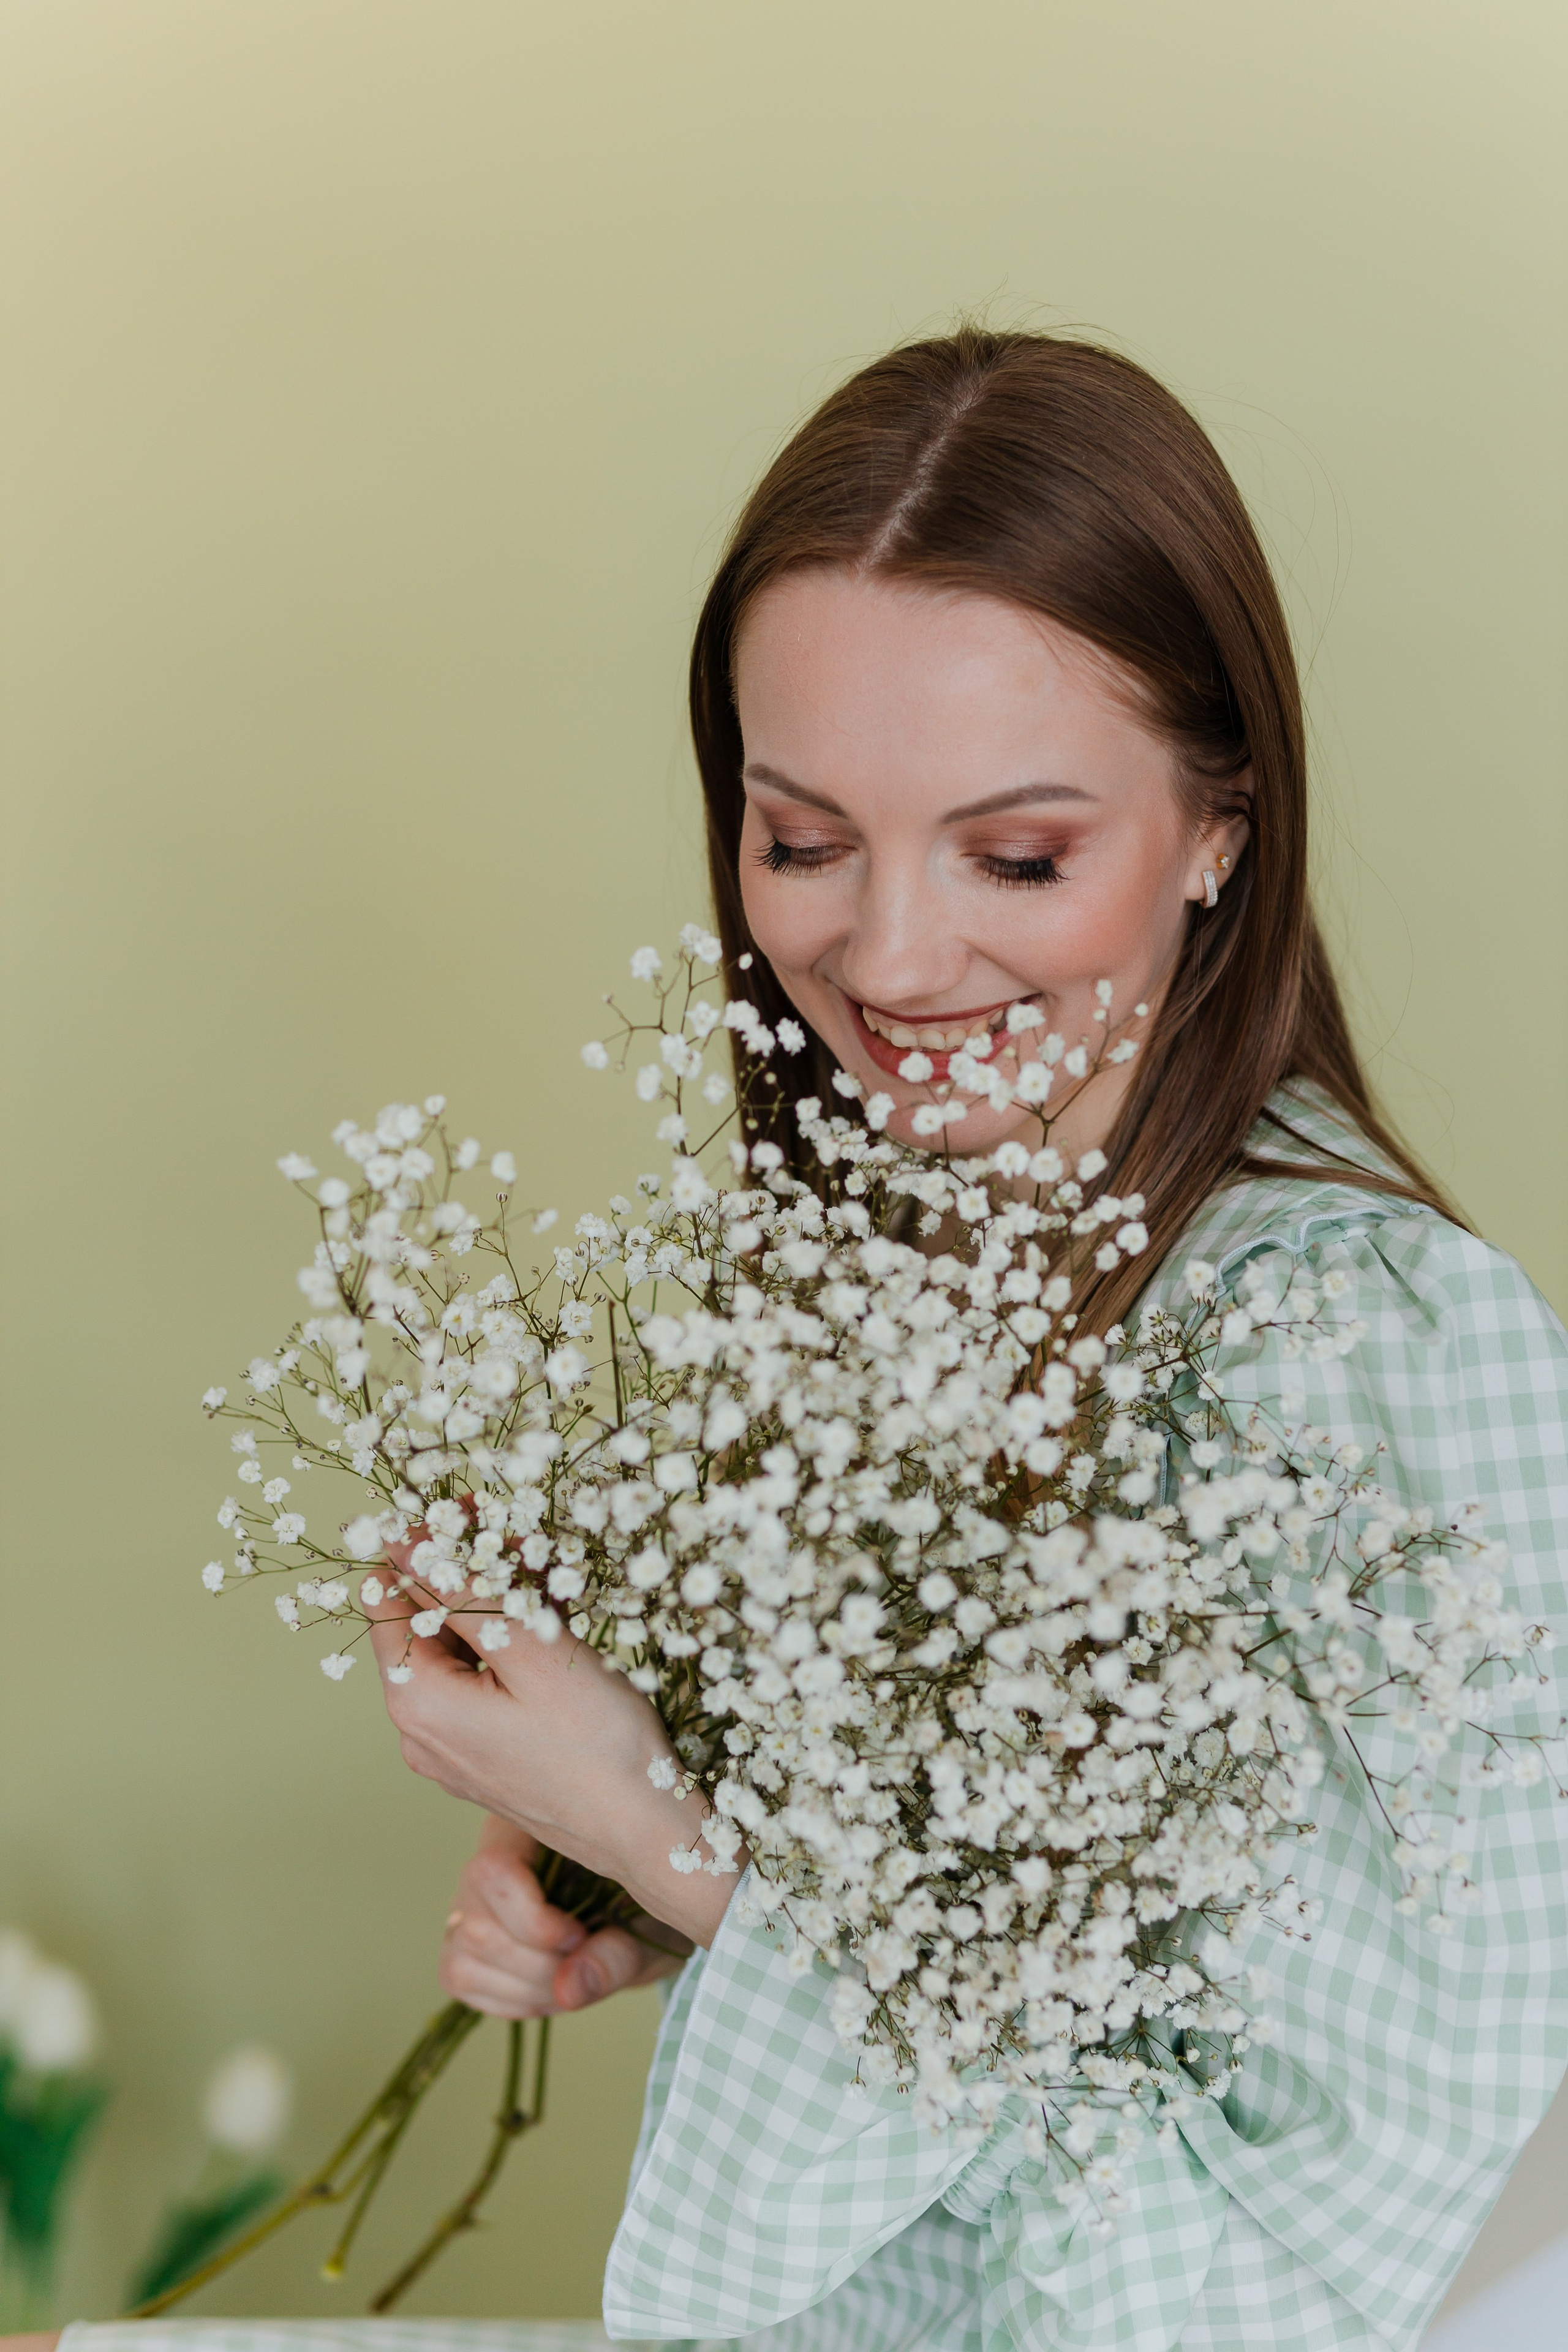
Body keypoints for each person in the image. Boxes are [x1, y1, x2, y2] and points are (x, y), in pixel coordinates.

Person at [29, 330, 1567, 2352]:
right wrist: (643, 1873)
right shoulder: (914, 1257)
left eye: (1017, 856)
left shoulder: (1378, 1355)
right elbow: (1069, 1987)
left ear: (1222, 826)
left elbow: (1265, 2281)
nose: (890, 959)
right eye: (803, 841)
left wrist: (668, 1844)